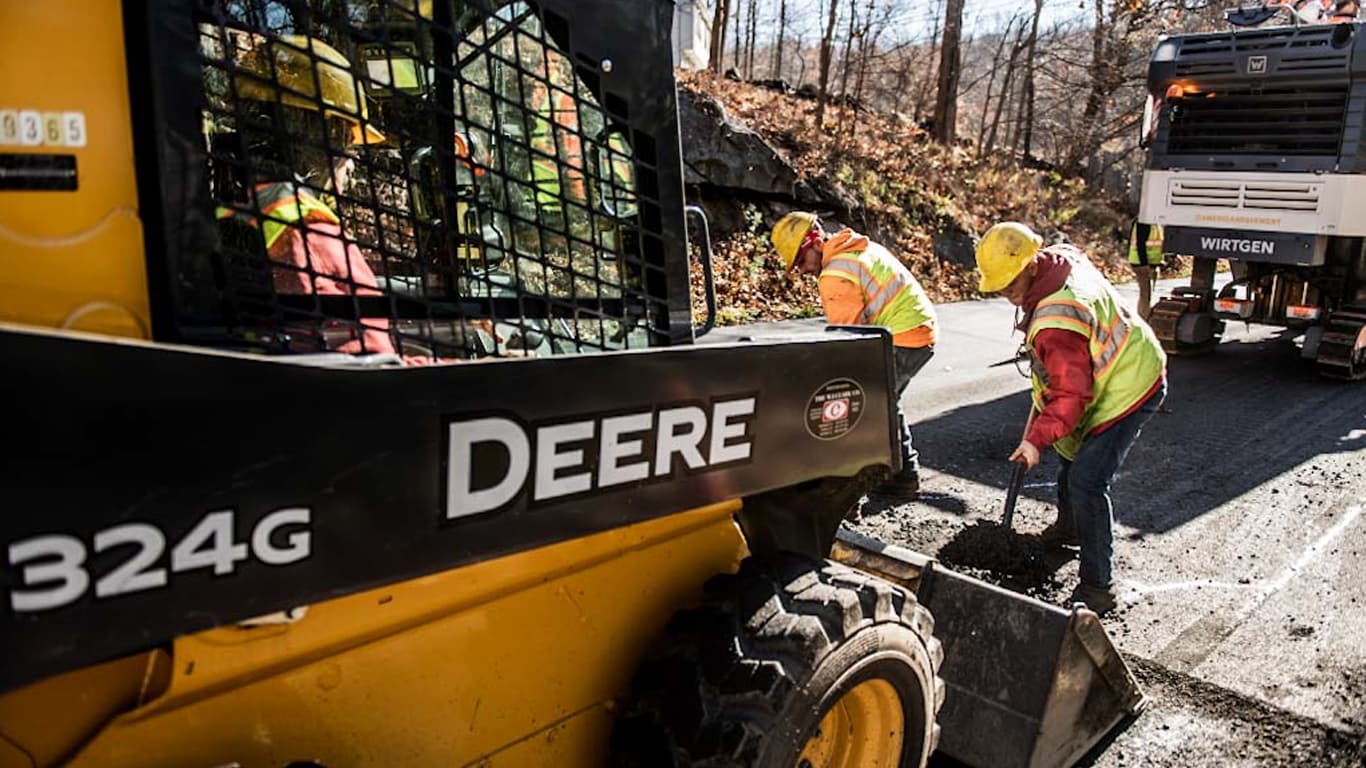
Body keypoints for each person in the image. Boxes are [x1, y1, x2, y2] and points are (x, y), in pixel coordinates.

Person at [976, 222, 1167, 614]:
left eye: (1010, 283)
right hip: (1108, 367)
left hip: (1131, 386)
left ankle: (1099, 586)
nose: (1006, 293)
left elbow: (1071, 397)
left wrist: (1034, 440)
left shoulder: (1058, 322)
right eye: (999, 285)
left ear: (1031, 265)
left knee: (1087, 479)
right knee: (1069, 449)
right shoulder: (1058, 260)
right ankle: (1070, 529)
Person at [220, 35, 395, 356]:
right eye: (347, 141)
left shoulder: (236, 210)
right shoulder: (307, 230)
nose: (352, 159)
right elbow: (366, 360)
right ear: (320, 137)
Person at [771, 212, 938, 497]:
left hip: (903, 336)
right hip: (919, 330)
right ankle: (902, 476)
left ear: (814, 241)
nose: (801, 270)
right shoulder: (858, 249)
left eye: (800, 260)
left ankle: (850, 492)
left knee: (863, 407)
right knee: (884, 402)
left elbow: (849, 343)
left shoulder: (835, 274)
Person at [1128, 220, 1165, 322]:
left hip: (1149, 263)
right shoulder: (1144, 222)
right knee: (1145, 295)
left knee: (1146, 295)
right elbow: (1140, 244)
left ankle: (1143, 319)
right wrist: (1145, 265)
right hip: (1142, 264)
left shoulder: (1154, 223)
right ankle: (1142, 322)